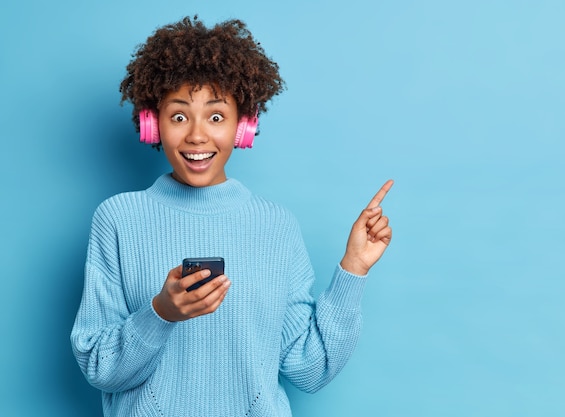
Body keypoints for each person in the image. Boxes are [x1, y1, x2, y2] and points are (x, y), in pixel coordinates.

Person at [70, 16, 393, 416]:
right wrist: (161, 314)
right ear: (152, 125)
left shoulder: (277, 226)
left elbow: (310, 369)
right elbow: (99, 365)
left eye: (217, 116)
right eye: (179, 116)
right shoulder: (117, 219)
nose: (197, 136)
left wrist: (354, 268)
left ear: (245, 125)